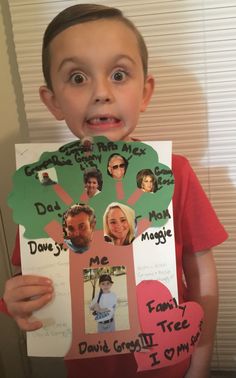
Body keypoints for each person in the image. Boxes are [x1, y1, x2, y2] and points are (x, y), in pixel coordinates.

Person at [1, 3, 228, 378]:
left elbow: (201, 271)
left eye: (119, 74)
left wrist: (200, 365)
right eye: (77, 78)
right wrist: (16, 302)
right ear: (53, 101)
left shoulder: (176, 174)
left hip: (170, 363)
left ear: (145, 92)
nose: (101, 92)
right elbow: (33, 280)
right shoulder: (43, 189)